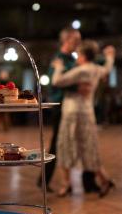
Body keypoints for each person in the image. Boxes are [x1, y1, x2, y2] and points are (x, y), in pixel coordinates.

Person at [37, 27, 100, 194]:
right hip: (62, 106)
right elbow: (53, 82)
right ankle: (45, 181)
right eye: (76, 40)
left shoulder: (71, 59)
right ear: (67, 40)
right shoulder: (59, 59)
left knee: (79, 143)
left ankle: (88, 183)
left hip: (73, 106)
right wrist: (77, 86)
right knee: (60, 144)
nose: (79, 43)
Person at [52, 40, 116, 197]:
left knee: (65, 146)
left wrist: (58, 67)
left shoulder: (81, 70)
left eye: (78, 54)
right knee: (89, 148)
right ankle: (104, 180)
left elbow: (56, 81)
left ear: (83, 55)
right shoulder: (96, 69)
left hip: (72, 113)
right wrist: (110, 57)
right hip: (88, 113)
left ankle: (66, 183)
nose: (77, 57)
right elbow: (107, 69)